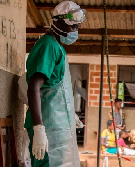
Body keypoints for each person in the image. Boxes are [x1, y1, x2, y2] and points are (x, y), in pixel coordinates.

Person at [24, 1, 86, 167]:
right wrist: (38, 128)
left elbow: (57, 90)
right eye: (73, 27)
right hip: (48, 128)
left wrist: (69, 114)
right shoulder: (47, 46)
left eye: (77, 27)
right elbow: (34, 87)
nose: (75, 32)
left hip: (58, 128)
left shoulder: (58, 47)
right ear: (57, 22)